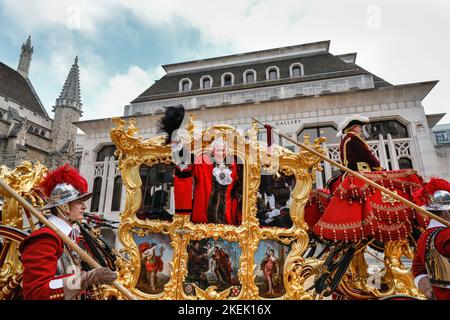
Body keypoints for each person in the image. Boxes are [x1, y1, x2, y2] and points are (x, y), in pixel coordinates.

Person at [19, 164, 116, 300]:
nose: (84, 206)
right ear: (63, 206)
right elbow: (37, 293)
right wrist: (87, 278)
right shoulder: (45, 239)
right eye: (78, 201)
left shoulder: (69, 236)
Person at [412, 178, 450, 300]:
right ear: (445, 212)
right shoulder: (446, 235)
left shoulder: (424, 237)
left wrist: (430, 289)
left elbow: (418, 270)